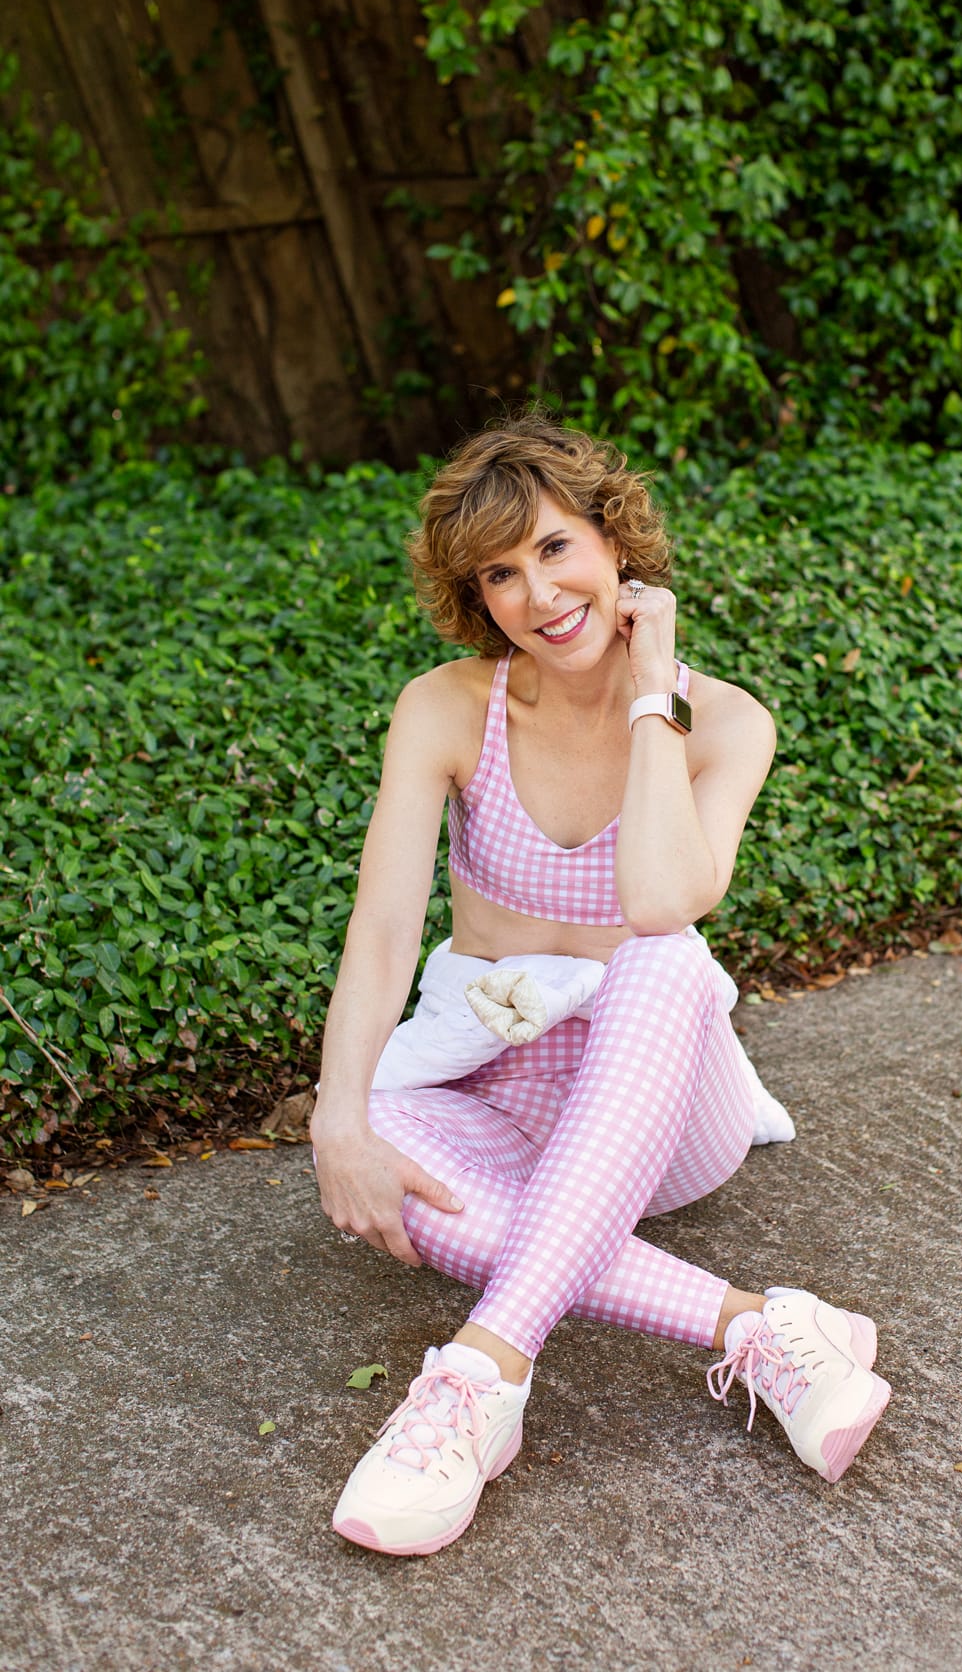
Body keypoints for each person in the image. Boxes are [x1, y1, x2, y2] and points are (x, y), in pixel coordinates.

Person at [310, 413, 890, 1556]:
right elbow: (381, 933)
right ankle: (764, 1331)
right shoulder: (445, 709)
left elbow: (665, 903)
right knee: (385, 1138)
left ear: (616, 540)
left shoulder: (724, 720)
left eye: (556, 548)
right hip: (501, 1083)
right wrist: (337, 1118)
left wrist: (650, 691)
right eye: (501, 574)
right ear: (477, 597)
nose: (538, 594)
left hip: (667, 1105)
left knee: (662, 954)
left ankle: (478, 1382)